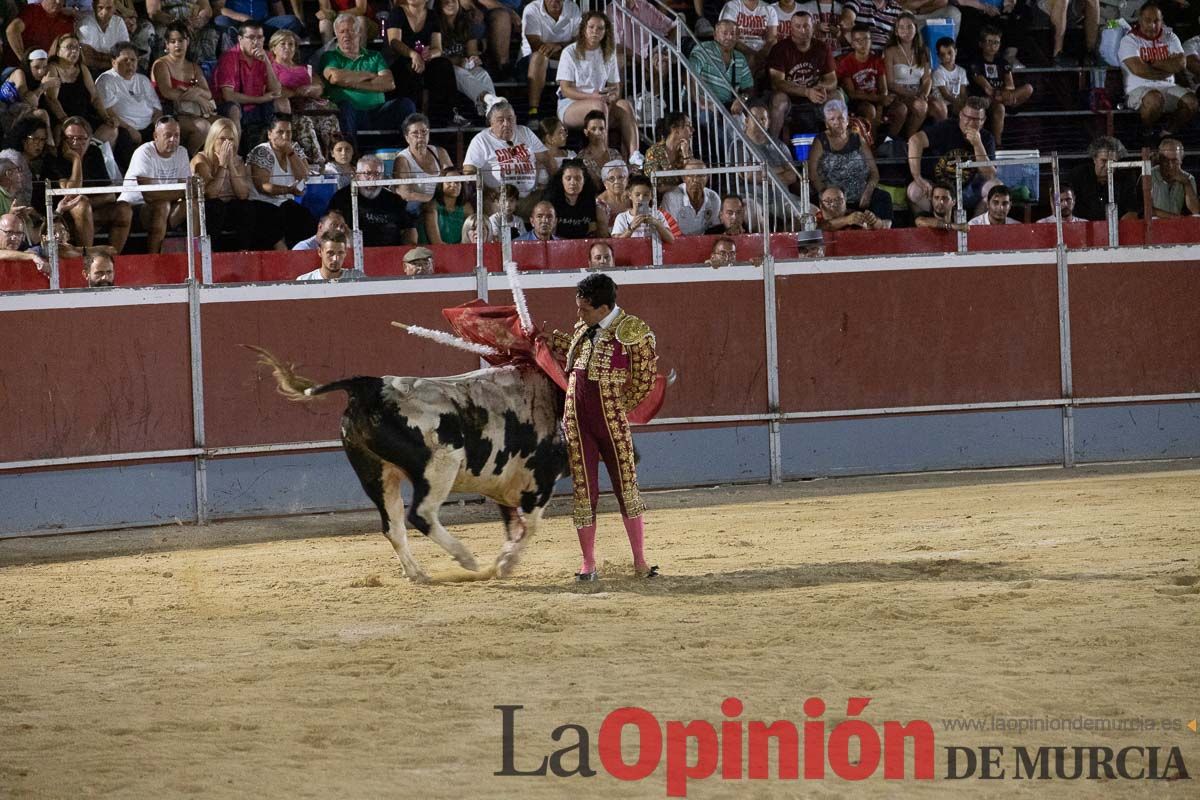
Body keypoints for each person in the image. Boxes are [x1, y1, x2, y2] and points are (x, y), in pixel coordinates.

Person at [545, 272, 659, 580]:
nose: (578, 314)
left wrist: (618, 405)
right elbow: (583, 359)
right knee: (584, 492)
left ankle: (639, 561)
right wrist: (556, 342)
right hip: (577, 420)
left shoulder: (633, 331)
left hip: (611, 421)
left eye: (584, 308)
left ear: (604, 308)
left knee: (626, 488)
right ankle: (588, 564)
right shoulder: (584, 328)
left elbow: (645, 379)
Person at [556, 11, 639, 161]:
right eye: (591, 27)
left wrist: (611, 97)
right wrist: (593, 97)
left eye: (600, 28)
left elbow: (615, 87)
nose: (595, 31)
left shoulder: (609, 52)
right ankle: (604, 154)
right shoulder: (570, 52)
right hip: (571, 105)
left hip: (600, 102)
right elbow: (566, 89)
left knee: (625, 105)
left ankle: (635, 156)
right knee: (598, 105)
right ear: (584, 29)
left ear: (605, 31)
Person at [42, 116, 132, 251]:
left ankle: (112, 259)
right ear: (63, 139)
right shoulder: (54, 158)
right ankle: (87, 258)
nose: (75, 143)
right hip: (62, 216)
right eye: (70, 138)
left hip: (92, 211)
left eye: (81, 138)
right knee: (81, 206)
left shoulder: (94, 153)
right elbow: (71, 193)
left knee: (124, 209)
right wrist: (76, 159)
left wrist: (86, 202)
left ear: (89, 139)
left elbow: (110, 195)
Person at [322, 14, 414, 143]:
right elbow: (336, 78)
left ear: (359, 33)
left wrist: (348, 81)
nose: (346, 35)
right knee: (344, 107)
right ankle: (349, 155)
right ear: (336, 35)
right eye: (342, 31)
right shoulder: (330, 57)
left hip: (378, 112)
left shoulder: (374, 56)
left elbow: (389, 83)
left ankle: (407, 153)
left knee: (405, 104)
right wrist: (370, 76)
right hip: (350, 114)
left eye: (350, 30)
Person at [906, 95, 997, 215]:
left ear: (983, 121)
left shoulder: (986, 138)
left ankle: (975, 227)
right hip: (939, 188)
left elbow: (990, 175)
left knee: (995, 188)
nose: (970, 122)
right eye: (967, 117)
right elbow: (915, 140)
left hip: (968, 189)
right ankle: (936, 225)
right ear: (960, 115)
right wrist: (917, 177)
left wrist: (977, 145)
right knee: (914, 191)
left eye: (976, 119)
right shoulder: (946, 127)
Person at [809, 98, 893, 225]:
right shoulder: (820, 141)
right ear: (826, 123)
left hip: (860, 195)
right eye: (832, 119)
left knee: (883, 197)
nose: (837, 122)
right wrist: (827, 196)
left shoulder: (857, 139)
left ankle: (881, 230)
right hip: (832, 197)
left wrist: (868, 192)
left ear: (847, 120)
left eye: (841, 118)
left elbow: (874, 172)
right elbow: (813, 174)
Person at [1119, 3, 1197, 138]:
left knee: (1192, 102)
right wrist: (1167, 67)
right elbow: (1139, 70)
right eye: (1148, 20)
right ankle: (1146, 134)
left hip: (1168, 86)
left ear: (1162, 21)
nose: (1152, 25)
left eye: (1156, 21)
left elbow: (1181, 64)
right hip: (1138, 88)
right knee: (1155, 99)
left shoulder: (1170, 37)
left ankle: (1167, 133)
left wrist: (1152, 63)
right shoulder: (1129, 40)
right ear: (1140, 20)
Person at [117, 116, 190, 253]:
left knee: (194, 203)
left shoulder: (182, 152)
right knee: (162, 206)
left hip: (165, 207)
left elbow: (186, 190)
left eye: (177, 135)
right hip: (133, 208)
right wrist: (184, 192)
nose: (173, 139)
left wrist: (187, 192)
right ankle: (155, 258)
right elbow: (149, 195)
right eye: (168, 135)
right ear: (156, 136)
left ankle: (198, 255)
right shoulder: (144, 152)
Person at [269, 29, 339, 165]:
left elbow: (319, 87)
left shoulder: (305, 68)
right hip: (292, 111)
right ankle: (314, 163)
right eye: (282, 44)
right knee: (304, 122)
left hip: (313, 107)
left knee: (330, 119)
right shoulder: (271, 69)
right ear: (274, 48)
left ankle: (334, 159)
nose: (287, 47)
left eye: (291, 44)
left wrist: (312, 88)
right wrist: (297, 92)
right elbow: (276, 90)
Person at [246, 114, 317, 249]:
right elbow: (263, 186)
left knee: (305, 218)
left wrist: (290, 153)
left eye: (288, 132)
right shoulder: (262, 151)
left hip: (285, 203)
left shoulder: (294, 148)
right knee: (276, 219)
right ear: (269, 134)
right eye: (280, 132)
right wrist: (288, 190)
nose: (285, 137)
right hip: (262, 202)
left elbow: (304, 176)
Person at [463, 99, 552, 205]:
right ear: (491, 123)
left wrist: (548, 185)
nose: (506, 124)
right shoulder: (481, 140)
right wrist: (488, 191)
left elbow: (547, 160)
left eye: (510, 119)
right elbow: (468, 170)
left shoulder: (525, 132)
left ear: (515, 119)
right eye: (500, 120)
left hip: (529, 197)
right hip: (497, 199)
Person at [387, 0, 460, 125]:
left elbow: (438, 48)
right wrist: (412, 54)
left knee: (443, 65)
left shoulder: (432, 15)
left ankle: (443, 117)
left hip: (423, 60)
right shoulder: (397, 12)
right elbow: (394, 42)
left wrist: (430, 53)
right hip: (400, 60)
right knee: (406, 68)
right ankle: (409, 120)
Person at [767, 10, 837, 139]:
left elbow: (832, 80)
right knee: (778, 100)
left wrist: (821, 87)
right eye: (798, 26)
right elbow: (777, 83)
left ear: (813, 27)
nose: (803, 30)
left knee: (837, 96)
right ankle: (772, 145)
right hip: (790, 97)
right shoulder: (780, 49)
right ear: (791, 28)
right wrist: (806, 92)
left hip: (815, 94)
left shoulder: (822, 47)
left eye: (806, 26)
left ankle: (838, 143)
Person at [190, 118, 255, 252]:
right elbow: (210, 193)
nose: (227, 143)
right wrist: (222, 166)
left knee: (246, 207)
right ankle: (209, 253)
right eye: (222, 138)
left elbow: (243, 194)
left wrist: (230, 164)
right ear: (213, 139)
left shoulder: (238, 161)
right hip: (208, 209)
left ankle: (244, 251)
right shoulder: (201, 159)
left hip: (230, 207)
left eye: (231, 139)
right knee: (216, 206)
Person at [152, 22, 217, 155]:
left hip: (192, 111)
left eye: (181, 40)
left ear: (187, 42)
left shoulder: (194, 67)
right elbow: (168, 92)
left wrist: (198, 93)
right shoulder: (161, 64)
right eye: (173, 41)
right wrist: (198, 98)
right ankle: (187, 159)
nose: (177, 45)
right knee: (203, 127)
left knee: (223, 124)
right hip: (168, 111)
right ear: (167, 44)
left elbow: (208, 93)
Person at [96, 42, 162, 171]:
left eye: (133, 60)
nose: (130, 64)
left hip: (149, 128)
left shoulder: (143, 80)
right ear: (114, 62)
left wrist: (157, 128)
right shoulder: (107, 80)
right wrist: (130, 129)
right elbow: (107, 111)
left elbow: (157, 109)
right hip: (124, 129)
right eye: (125, 60)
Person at [46, 33, 118, 147]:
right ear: (58, 50)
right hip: (62, 119)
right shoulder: (53, 68)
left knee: (111, 129)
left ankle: (92, 151)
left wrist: (105, 117)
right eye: (69, 47)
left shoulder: (82, 68)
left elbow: (94, 96)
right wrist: (67, 121)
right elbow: (51, 99)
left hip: (84, 118)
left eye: (77, 47)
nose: (74, 51)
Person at [330, 154, 418, 246]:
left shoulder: (394, 200)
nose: (372, 178)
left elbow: (409, 228)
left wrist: (409, 248)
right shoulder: (341, 198)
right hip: (354, 253)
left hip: (389, 254)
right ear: (358, 175)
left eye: (377, 174)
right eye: (367, 173)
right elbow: (330, 225)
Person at [966, 25, 1033, 146]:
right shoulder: (975, 61)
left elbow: (1010, 85)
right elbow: (986, 87)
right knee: (999, 107)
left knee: (1028, 88)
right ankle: (998, 145)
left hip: (1001, 97)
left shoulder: (1003, 62)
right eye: (989, 42)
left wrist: (1006, 94)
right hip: (985, 100)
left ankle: (1006, 101)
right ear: (981, 43)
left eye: (996, 42)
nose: (993, 46)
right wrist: (1001, 95)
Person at [213, 21, 282, 132]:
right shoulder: (229, 57)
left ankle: (279, 145)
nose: (256, 42)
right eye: (251, 37)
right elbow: (228, 96)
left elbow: (276, 91)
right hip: (229, 105)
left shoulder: (266, 55)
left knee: (282, 103)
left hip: (254, 104)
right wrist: (260, 99)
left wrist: (267, 62)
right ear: (240, 39)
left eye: (259, 37)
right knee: (234, 109)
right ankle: (236, 148)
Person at [521, 0, 582, 121]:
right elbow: (537, 47)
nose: (555, 1)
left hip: (562, 63)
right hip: (530, 63)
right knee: (539, 57)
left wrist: (557, 46)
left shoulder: (573, 8)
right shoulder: (532, 9)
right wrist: (566, 51)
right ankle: (533, 111)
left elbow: (579, 44)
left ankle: (576, 111)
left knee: (582, 56)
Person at [439, 0, 499, 117]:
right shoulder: (434, 24)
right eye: (446, 1)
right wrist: (457, 61)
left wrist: (474, 58)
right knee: (459, 72)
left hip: (464, 64)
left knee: (482, 73)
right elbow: (437, 57)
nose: (450, 3)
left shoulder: (465, 23)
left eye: (454, 1)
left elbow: (472, 51)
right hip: (446, 68)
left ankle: (493, 112)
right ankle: (486, 98)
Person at [393, 112, 455, 216]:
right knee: (429, 210)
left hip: (440, 203)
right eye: (415, 133)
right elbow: (406, 194)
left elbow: (452, 178)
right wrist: (432, 200)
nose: (420, 136)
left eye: (424, 132)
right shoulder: (402, 159)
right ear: (407, 138)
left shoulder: (440, 152)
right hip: (418, 208)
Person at [884, 13, 935, 136]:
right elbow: (890, 83)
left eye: (909, 27)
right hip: (898, 93)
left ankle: (911, 140)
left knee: (939, 107)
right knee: (919, 106)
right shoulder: (890, 51)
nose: (906, 30)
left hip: (918, 91)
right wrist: (912, 94)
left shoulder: (924, 51)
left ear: (915, 29)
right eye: (901, 27)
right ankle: (894, 141)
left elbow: (927, 79)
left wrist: (923, 94)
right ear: (896, 31)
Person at [688, 19, 754, 113]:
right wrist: (699, 101)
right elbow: (688, 73)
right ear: (715, 35)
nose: (730, 37)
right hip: (701, 107)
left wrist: (742, 99)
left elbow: (749, 87)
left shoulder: (740, 58)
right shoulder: (704, 49)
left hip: (727, 107)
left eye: (733, 33)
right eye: (725, 33)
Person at [1067, 136, 1136, 221]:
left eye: (1112, 162)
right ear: (1094, 159)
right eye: (1103, 160)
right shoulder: (1077, 175)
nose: (1108, 166)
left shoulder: (1125, 179)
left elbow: (1132, 210)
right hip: (1083, 228)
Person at [837, 23, 890, 135]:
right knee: (870, 110)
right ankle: (870, 146)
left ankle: (887, 140)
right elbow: (852, 94)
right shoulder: (846, 63)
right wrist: (878, 99)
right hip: (858, 102)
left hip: (876, 99)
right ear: (852, 44)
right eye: (858, 40)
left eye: (866, 39)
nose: (863, 44)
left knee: (901, 110)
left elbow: (883, 88)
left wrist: (880, 104)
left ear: (871, 41)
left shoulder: (877, 60)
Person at [543, 159, 606, 238]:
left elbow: (592, 229)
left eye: (578, 178)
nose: (573, 182)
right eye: (568, 178)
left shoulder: (590, 201)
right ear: (561, 180)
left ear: (584, 180)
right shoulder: (551, 201)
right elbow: (549, 234)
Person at [661, 158, 722, 235]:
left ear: (707, 177)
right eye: (691, 175)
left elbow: (714, 229)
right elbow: (669, 230)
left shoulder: (714, 198)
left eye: (700, 176)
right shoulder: (671, 198)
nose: (695, 180)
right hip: (677, 242)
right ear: (683, 178)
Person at [5, 0, 76, 66]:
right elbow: (12, 31)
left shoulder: (66, 20)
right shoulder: (32, 10)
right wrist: (24, 60)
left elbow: (69, 45)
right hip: (18, 67)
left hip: (47, 68)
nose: (58, 2)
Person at [719, 0, 779, 77]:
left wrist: (763, 53)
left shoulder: (769, 9)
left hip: (762, 52)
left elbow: (772, 39)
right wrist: (753, 54)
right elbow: (728, 37)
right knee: (750, 60)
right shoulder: (732, 6)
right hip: (738, 49)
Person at [1142, 138, 1200, 218]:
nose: (1170, 165)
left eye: (1174, 161)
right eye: (1166, 161)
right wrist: (1174, 217)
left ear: (1181, 159)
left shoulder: (1189, 178)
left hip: (1178, 226)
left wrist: (1187, 183)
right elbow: (1146, 209)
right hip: (1156, 224)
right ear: (1160, 160)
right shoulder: (1148, 176)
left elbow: (1195, 211)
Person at [611, 175, 676, 243]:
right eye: (637, 195)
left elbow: (671, 240)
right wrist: (631, 228)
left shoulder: (657, 214)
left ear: (651, 196)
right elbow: (616, 243)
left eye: (646, 195)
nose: (641, 198)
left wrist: (656, 223)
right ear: (630, 195)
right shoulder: (622, 217)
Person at [641, 112, 694, 195]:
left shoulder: (685, 150)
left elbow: (692, 180)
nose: (692, 129)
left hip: (681, 197)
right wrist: (680, 188)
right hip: (659, 201)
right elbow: (653, 186)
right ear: (675, 130)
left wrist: (686, 155)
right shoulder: (654, 152)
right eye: (688, 125)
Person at [76, 0, 130, 73]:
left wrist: (97, 55)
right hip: (92, 70)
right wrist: (113, 59)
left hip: (116, 69)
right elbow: (87, 58)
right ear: (93, 6)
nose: (104, 12)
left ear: (115, 7)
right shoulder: (85, 23)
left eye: (109, 8)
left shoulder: (119, 22)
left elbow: (125, 52)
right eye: (100, 7)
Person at [422, 168, 473, 244]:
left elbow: (469, 238)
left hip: (461, 250)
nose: (453, 185)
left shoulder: (467, 207)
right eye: (449, 182)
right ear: (441, 184)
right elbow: (436, 242)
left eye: (457, 182)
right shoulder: (432, 207)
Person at [575, 111, 621, 191]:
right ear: (586, 132)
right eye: (593, 129)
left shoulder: (615, 154)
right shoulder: (581, 158)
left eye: (601, 129)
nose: (598, 133)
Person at [214, 0, 304, 39]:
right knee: (221, 20)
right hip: (238, 25)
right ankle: (234, 54)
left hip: (262, 24)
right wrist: (242, 17)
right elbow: (219, 8)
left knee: (291, 21)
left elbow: (278, 8)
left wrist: (284, 26)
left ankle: (278, 54)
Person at [296, 229, 361, 281]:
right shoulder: (304, 281)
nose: (335, 259)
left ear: (345, 253)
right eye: (330, 253)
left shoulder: (358, 278)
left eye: (340, 253)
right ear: (319, 252)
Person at [816, 184, 886, 229]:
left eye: (839, 200)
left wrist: (874, 220)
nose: (834, 204)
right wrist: (846, 220)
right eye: (828, 201)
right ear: (821, 205)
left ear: (845, 201)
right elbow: (821, 227)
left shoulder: (854, 215)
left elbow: (880, 226)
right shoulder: (814, 219)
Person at [932, 36, 968, 118]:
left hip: (957, 103)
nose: (947, 57)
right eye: (943, 55)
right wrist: (959, 104)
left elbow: (963, 92)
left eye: (950, 53)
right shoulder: (938, 72)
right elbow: (945, 95)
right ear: (939, 56)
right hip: (944, 104)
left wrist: (965, 103)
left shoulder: (961, 71)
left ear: (955, 51)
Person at [536, 116, 577, 188]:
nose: (565, 135)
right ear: (549, 138)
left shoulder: (571, 155)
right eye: (560, 132)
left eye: (565, 131)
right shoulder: (535, 157)